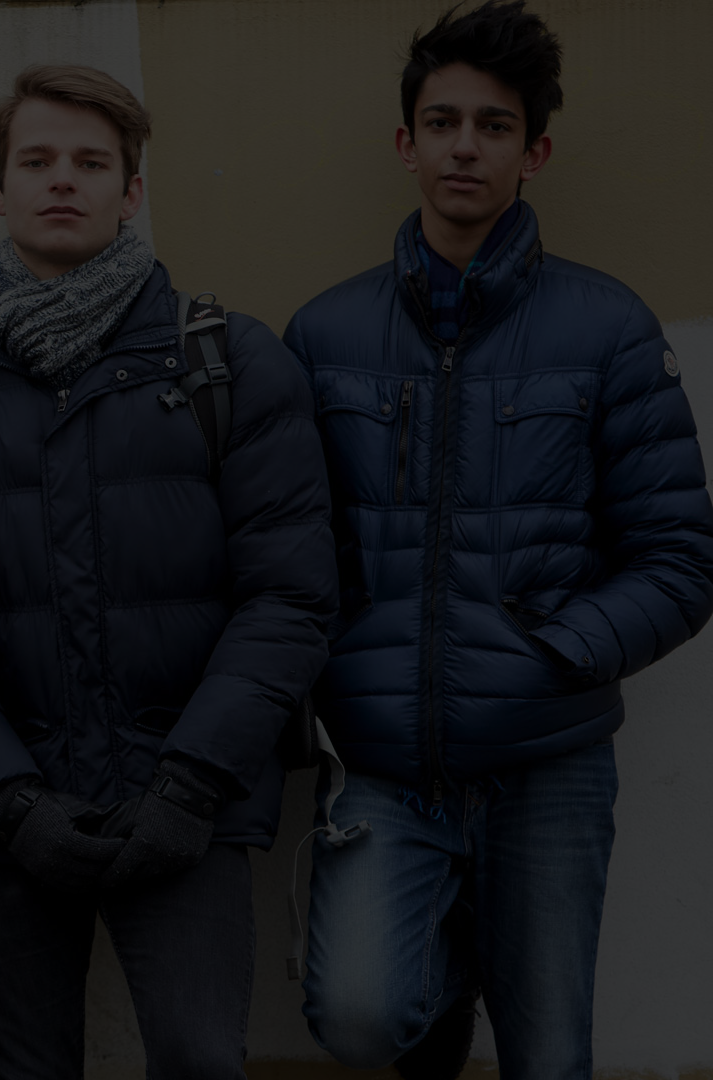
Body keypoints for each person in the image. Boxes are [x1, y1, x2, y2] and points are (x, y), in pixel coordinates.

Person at [286, 4, 713, 1077]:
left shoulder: (608, 328)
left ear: (535, 151)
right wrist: (335, 677)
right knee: (364, 1015)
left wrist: (555, 655)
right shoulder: (324, 335)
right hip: (387, 767)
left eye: (492, 124)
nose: (464, 145)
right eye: (441, 122)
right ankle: (449, 962)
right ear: (407, 142)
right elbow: (293, 550)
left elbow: (678, 556)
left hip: (549, 764)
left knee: (548, 1052)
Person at [0, 65, 337, 1078]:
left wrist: (189, 784)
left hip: (186, 808)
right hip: (10, 823)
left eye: (93, 163)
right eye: (38, 161)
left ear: (132, 190)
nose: (65, 181)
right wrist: (7, 800)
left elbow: (290, 595)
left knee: (199, 1059)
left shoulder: (230, 362)